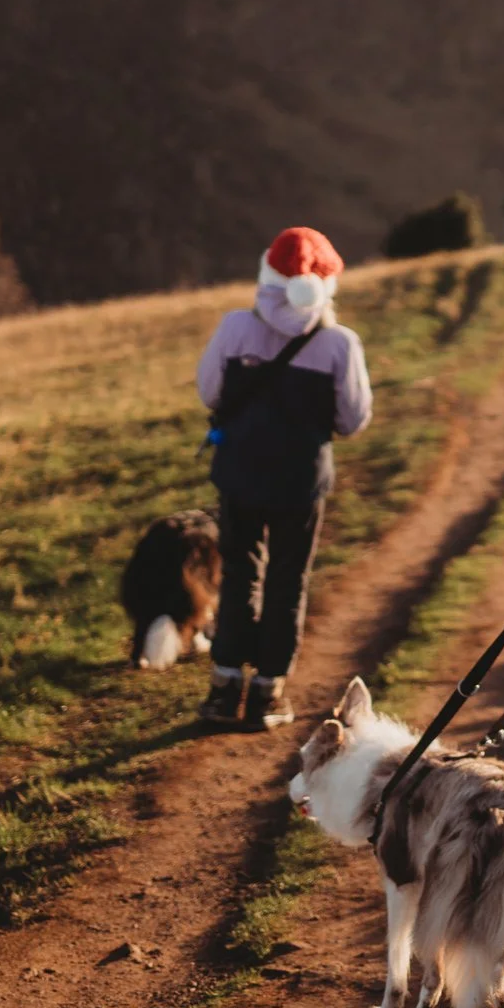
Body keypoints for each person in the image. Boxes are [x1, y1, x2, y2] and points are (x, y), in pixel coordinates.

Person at [195, 227, 373, 730]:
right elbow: (353, 420)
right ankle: (269, 690)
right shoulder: (339, 343)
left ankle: (225, 685)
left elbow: (210, 394)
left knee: (239, 569)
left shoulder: (235, 329)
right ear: (327, 284)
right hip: (301, 480)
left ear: (267, 274)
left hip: (239, 473)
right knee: (289, 578)